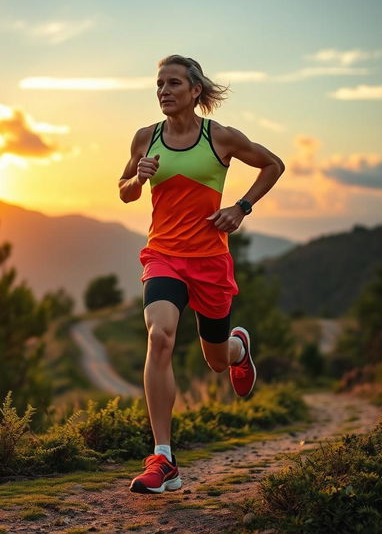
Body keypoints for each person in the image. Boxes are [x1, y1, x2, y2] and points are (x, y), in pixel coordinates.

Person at [119, 55, 285, 495]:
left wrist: (240, 208)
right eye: (158, 84)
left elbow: (273, 165)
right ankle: (163, 458)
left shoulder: (221, 138)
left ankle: (237, 349)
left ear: (195, 91)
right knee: (160, 337)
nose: (163, 91)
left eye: (173, 83)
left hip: (209, 260)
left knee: (215, 360)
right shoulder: (144, 138)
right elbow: (124, 193)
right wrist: (137, 177)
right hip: (164, 256)